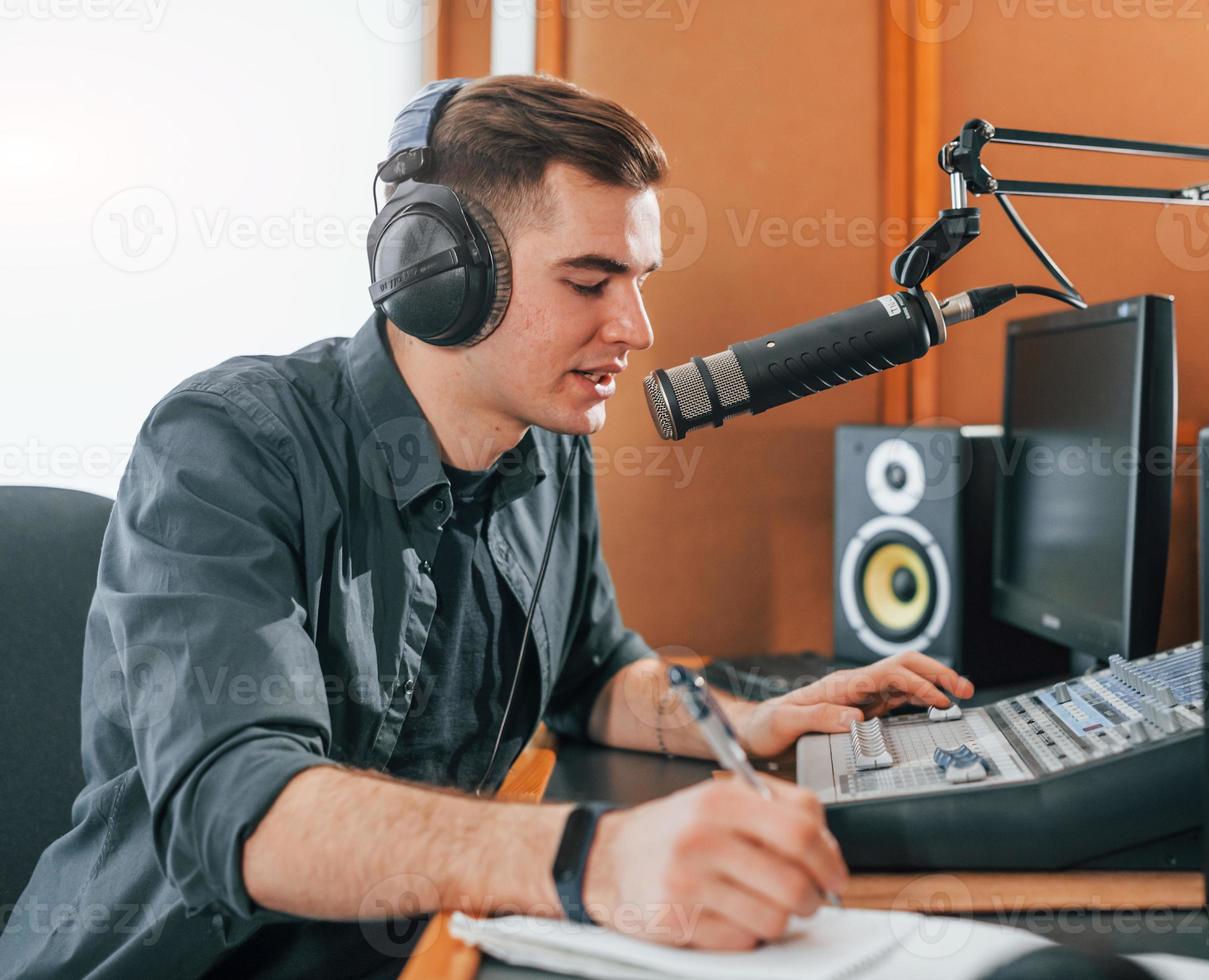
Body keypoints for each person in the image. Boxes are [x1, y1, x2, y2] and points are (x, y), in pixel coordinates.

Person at [0, 74, 973, 979]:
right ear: (436, 275)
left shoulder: (546, 448)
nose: (635, 327)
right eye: (590, 282)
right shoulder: (225, 444)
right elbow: (245, 810)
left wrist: (745, 725)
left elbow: (598, 677)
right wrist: (598, 856)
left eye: (639, 279)